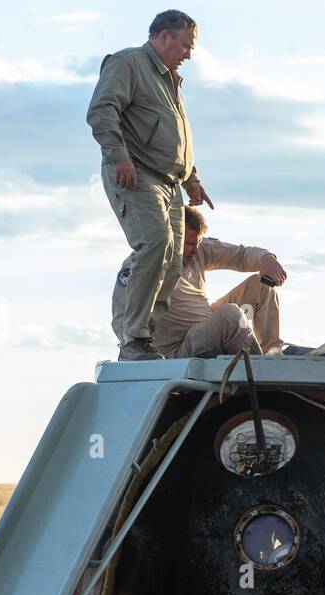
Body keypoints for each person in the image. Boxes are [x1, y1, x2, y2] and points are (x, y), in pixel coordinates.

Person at [88, 10, 213, 361]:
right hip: (136, 172)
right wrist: (119, 158)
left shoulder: (170, 79)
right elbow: (102, 110)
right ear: (163, 37)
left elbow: (175, 138)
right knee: (154, 243)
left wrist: (193, 179)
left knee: (173, 263)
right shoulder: (129, 64)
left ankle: (146, 341)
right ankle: (133, 340)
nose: (189, 54)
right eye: (185, 45)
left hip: (169, 182)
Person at [111, 206, 288, 358]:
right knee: (231, 316)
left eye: (197, 243)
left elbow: (241, 256)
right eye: (187, 244)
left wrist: (267, 259)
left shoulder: (199, 249)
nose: (194, 250)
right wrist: (133, 350)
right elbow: (120, 314)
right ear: (172, 237)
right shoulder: (142, 265)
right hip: (175, 350)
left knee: (260, 286)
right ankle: (257, 370)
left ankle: (273, 354)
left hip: (208, 327)